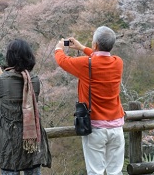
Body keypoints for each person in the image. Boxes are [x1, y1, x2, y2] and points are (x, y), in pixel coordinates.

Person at [54, 26, 125, 175]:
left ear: (95, 45)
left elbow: (62, 61)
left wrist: (58, 48)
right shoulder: (118, 62)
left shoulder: (86, 64)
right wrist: (81, 47)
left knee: (95, 172)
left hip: (95, 127)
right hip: (117, 126)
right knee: (116, 172)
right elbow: (100, 57)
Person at [0, 39, 51, 175]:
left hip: (8, 144)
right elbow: (18, 89)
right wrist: (2, 77)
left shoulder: (1, 81)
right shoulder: (34, 80)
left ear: (10, 57)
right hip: (31, 144)